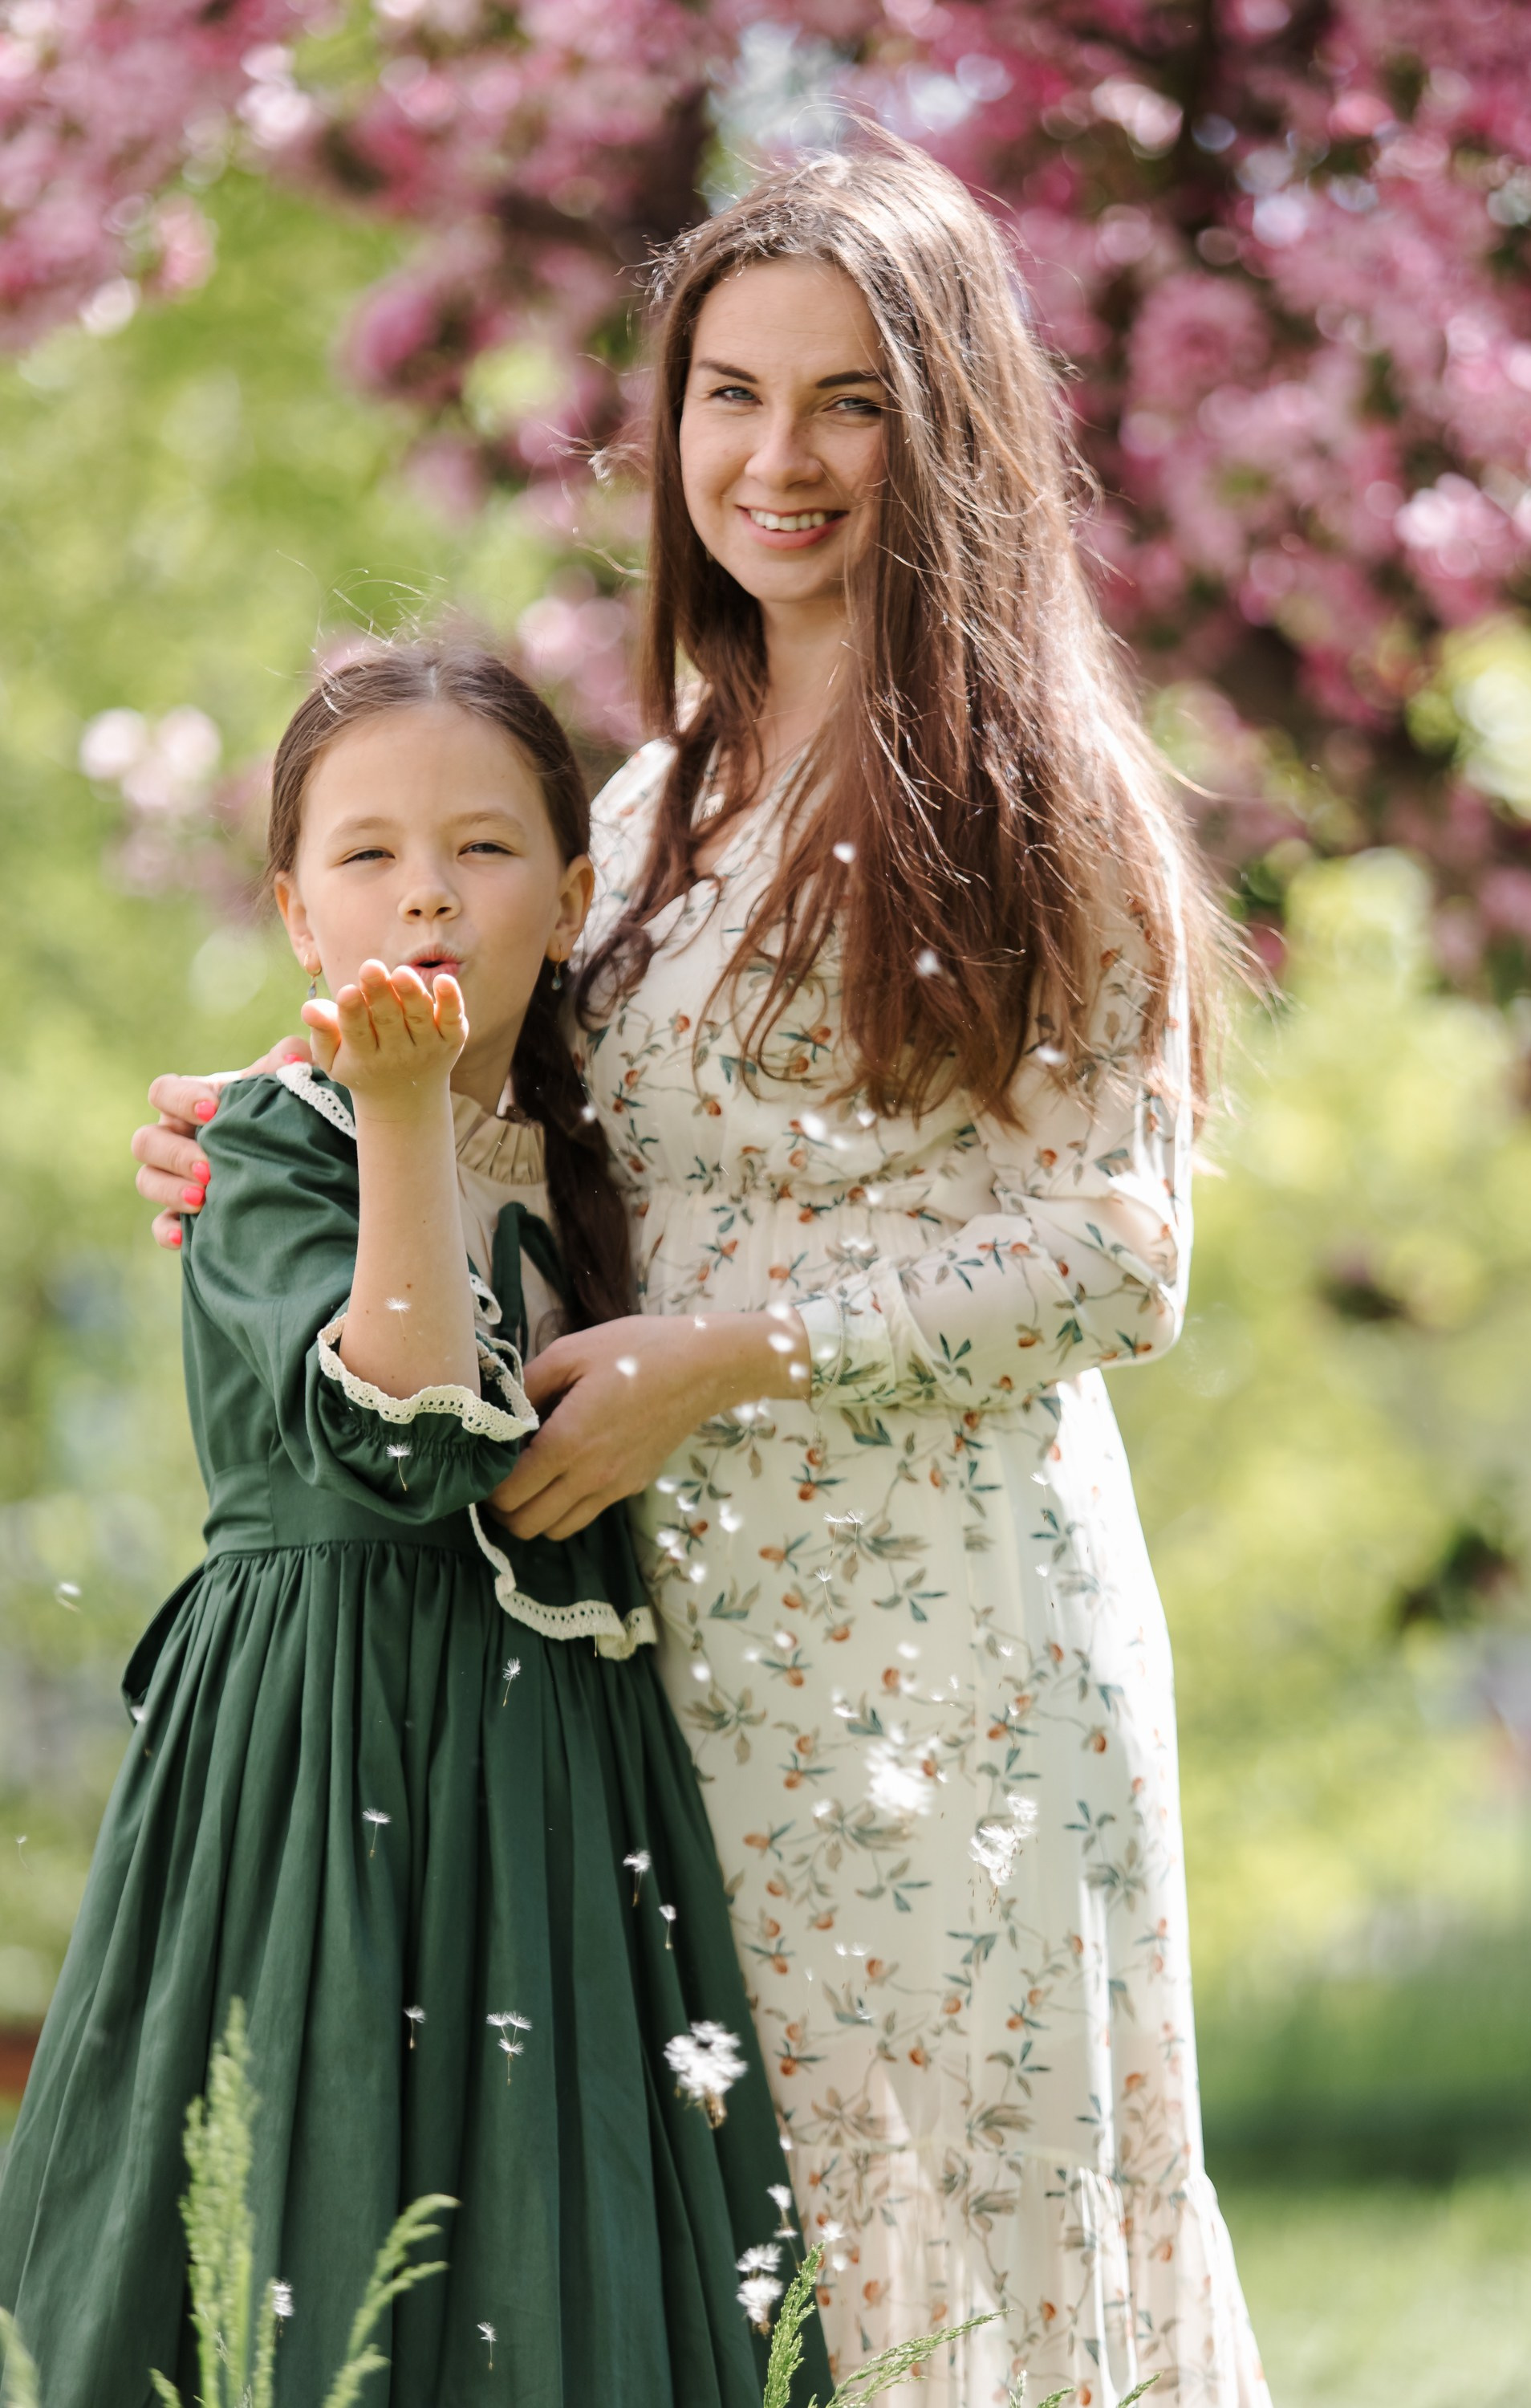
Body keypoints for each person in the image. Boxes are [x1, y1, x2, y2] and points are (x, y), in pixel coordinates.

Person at [133, 138, 1270, 2406]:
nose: (778, 458)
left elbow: (1118, 1256)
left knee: (966, 2230)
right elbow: (514, 1112)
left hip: (947, 1648)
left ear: (945, 428)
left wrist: (726, 1364)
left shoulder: (1052, 796)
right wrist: (281, 1115)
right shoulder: (648, 810)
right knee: (736, 2267)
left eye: (848, 400)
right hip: (660, 1655)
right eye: (729, 396)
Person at [3, 645, 830, 2408]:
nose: (427, 892)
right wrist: (392, 1112)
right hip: (324, 1733)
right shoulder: (274, 1143)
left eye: (481, 848)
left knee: (546, 2175)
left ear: (576, 889)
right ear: (298, 913)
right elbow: (405, 1436)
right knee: (327, 2173)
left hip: (550, 1747)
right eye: (367, 856)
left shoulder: (590, 1151)